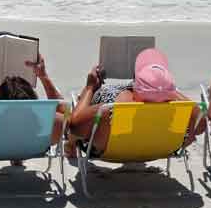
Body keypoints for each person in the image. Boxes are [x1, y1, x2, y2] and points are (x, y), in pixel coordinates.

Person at [69, 48, 204, 157]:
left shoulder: (108, 109)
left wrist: (90, 88)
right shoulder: (183, 109)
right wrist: (170, 91)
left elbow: (74, 126)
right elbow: (201, 126)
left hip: (111, 152)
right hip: (162, 149)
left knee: (71, 111)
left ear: (135, 84)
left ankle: (69, 145)